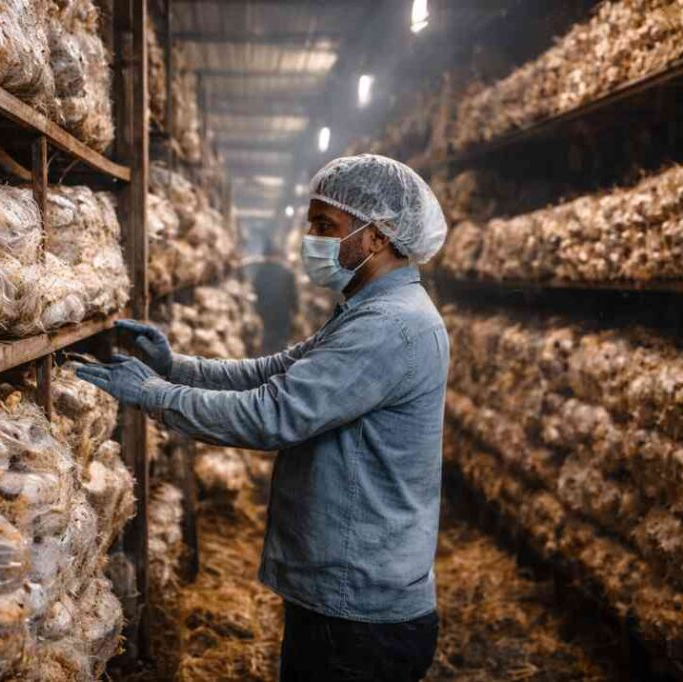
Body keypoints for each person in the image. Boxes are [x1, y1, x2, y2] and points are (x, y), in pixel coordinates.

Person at [75, 155, 449, 682]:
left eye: (327, 227)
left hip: (358, 611)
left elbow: (272, 414)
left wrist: (154, 396)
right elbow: (275, 371)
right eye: (311, 223)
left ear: (377, 237)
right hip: (346, 590)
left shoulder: (390, 326)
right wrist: (175, 365)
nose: (311, 239)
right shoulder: (367, 311)